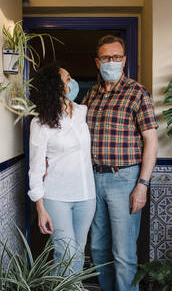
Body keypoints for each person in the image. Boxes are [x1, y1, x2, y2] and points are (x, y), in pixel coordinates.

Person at [82, 35, 158, 291]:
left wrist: (142, 185)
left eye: (116, 57)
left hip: (124, 179)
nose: (111, 62)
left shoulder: (137, 93)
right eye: (106, 58)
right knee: (98, 249)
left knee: (124, 254)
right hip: (93, 179)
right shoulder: (90, 96)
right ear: (97, 61)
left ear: (124, 60)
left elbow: (151, 141)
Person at [28, 63, 96, 274]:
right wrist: (40, 209)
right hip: (56, 197)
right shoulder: (40, 123)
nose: (72, 81)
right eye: (68, 79)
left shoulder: (83, 112)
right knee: (65, 254)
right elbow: (36, 168)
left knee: (78, 251)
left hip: (86, 195)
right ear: (56, 87)